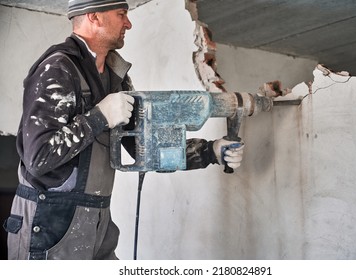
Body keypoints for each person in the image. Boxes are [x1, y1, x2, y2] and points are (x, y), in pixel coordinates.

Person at [3, 0, 244, 260]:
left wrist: (211, 151)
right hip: (49, 222)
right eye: (121, 15)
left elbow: (146, 146)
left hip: (99, 220)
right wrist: (100, 117)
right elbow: (38, 158)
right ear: (94, 17)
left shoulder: (116, 77)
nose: (128, 23)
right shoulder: (58, 68)